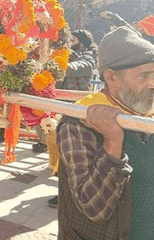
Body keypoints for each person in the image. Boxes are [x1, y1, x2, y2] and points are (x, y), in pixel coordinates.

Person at [57, 26, 154, 239]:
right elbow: (93, 207)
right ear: (111, 77)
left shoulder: (149, 114)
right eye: (144, 75)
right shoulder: (78, 124)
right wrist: (113, 142)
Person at [47, 29, 97, 209]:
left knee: (73, 155)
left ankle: (68, 195)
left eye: (73, 39)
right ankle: (64, 193)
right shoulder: (66, 53)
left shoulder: (88, 56)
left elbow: (78, 68)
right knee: (63, 151)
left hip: (79, 111)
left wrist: (60, 63)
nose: (70, 42)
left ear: (82, 42)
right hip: (65, 109)